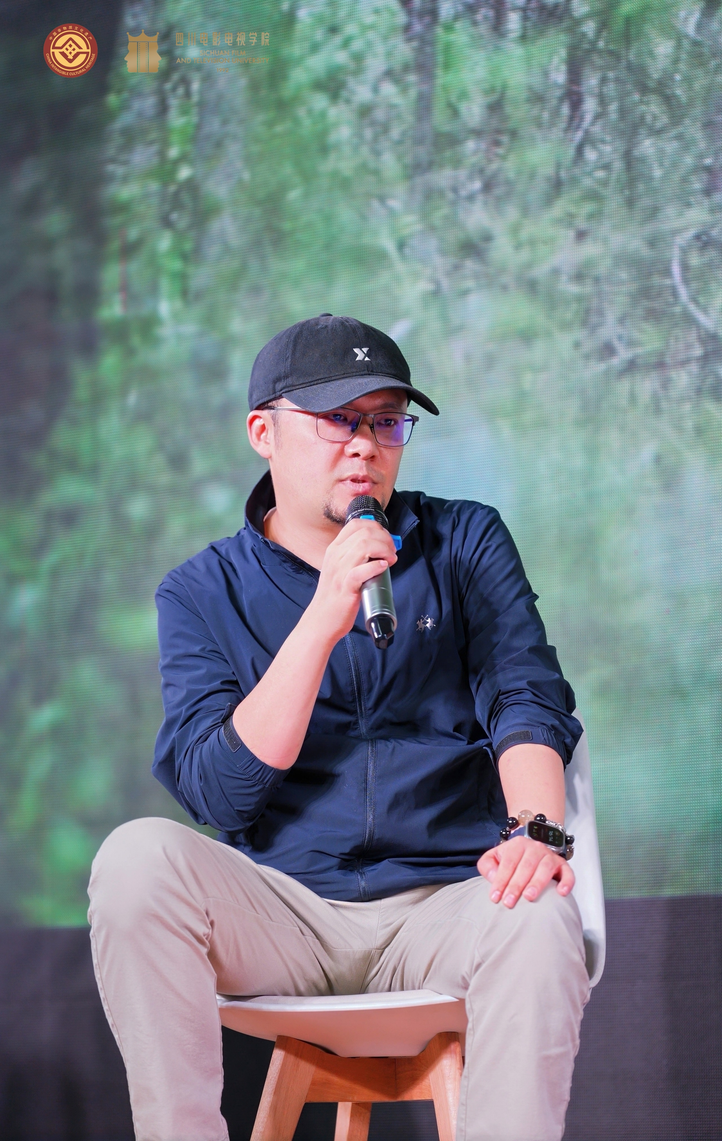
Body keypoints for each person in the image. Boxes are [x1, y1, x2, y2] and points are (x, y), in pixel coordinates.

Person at [88, 314, 590, 1141]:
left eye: (386, 421)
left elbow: (526, 695)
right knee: (135, 860)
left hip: (447, 898)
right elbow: (220, 793)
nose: (365, 446)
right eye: (337, 419)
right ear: (264, 433)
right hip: (284, 912)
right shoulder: (200, 591)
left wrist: (536, 830)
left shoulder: (464, 540)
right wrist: (324, 615)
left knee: (537, 910)